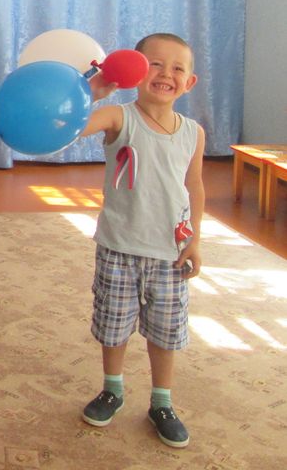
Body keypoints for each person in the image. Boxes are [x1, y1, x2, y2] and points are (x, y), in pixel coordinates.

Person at [78, 33, 204, 449]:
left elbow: (195, 186)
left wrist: (195, 239)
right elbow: (74, 130)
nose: (166, 73)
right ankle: (112, 389)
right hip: (119, 247)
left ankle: (162, 402)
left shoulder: (193, 133)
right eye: (154, 64)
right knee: (113, 327)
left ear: (190, 82)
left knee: (165, 332)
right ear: (135, 71)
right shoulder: (119, 117)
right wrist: (92, 92)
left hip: (170, 253)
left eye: (177, 68)